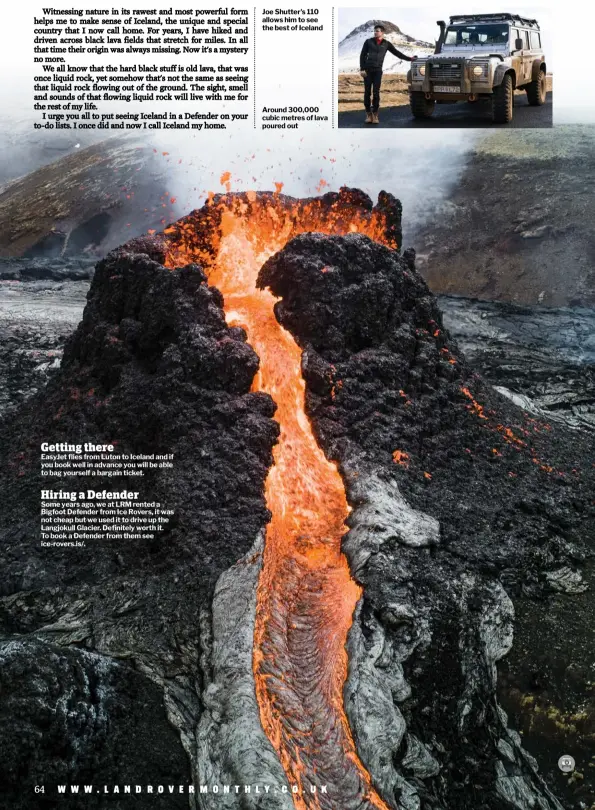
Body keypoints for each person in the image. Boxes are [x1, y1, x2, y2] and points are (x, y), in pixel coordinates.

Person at [360, 24, 416, 124]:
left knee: (376, 93)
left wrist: (410, 59)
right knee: (367, 92)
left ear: (382, 33)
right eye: (375, 31)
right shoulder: (368, 42)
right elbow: (362, 55)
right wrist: (362, 69)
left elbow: (397, 53)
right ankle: (368, 114)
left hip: (378, 71)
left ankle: (375, 114)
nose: (376, 32)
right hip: (367, 71)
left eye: (378, 30)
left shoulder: (386, 44)